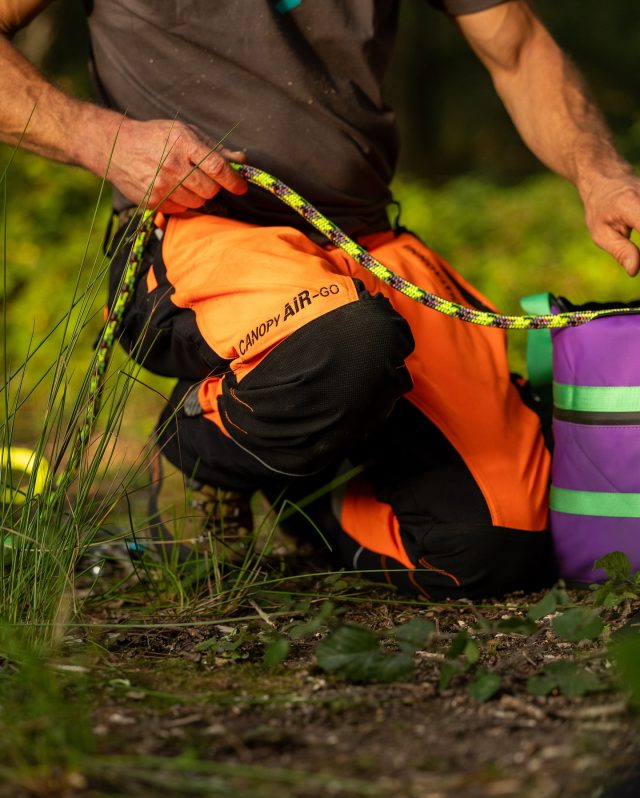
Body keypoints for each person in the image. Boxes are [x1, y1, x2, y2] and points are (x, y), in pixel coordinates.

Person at [2, 0, 640, 598]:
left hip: (368, 244)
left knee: (490, 547)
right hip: (198, 231)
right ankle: (196, 444)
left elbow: (520, 49)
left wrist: (601, 172)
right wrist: (99, 137)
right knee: (344, 343)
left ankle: (308, 479)